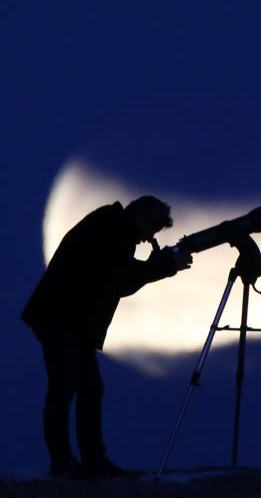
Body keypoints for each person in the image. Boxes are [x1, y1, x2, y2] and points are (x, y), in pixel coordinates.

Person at [20, 196, 193, 479]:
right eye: (153, 230)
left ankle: (91, 461)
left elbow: (119, 275)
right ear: (142, 218)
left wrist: (159, 265)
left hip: (73, 322)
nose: (150, 238)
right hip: (61, 319)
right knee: (64, 390)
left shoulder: (112, 227)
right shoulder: (111, 229)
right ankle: (64, 463)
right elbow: (119, 279)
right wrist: (163, 266)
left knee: (88, 390)